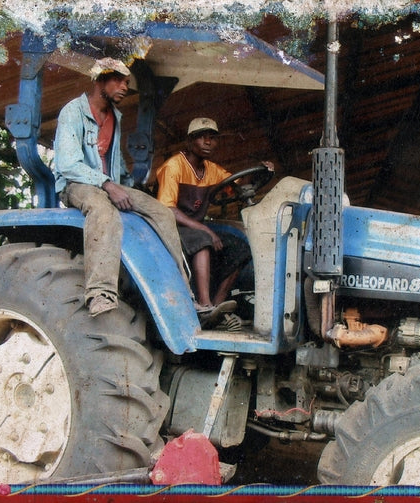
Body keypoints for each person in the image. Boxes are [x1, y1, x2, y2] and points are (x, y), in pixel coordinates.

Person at [53, 57, 192, 317]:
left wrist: (130, 186)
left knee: (161, 212)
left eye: (127, 82)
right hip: (77, 185)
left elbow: (114, 166)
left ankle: (185, 294)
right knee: (104, 212)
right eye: (118, 80)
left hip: (108, 184)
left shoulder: (115, 116)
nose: (125, 87)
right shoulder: (73, 112)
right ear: (99, 80)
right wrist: (107, 184)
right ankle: (100, 293)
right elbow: (68, 164)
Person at [153, 118, 274, 319]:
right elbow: (168, 209)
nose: (208, 142)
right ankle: (204, 303)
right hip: (170, 225)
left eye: (212, 138)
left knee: (241, 248)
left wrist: (260, 169)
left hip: (195, 227)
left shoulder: (212, 169)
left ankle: (217, 307)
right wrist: (206, 230)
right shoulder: (173, 167)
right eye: (202, 138)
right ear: (190, 142)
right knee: (204, 239)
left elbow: (237, 183)